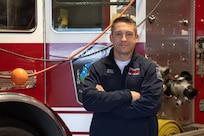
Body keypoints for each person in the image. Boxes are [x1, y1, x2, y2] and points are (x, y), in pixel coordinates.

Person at [82, 16, 163, 136]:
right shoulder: (97, 68)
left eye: (129, 34)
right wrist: (128, 95)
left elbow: (151, 104)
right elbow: (89, 101)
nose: (124, 39)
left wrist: (107, 104)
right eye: (118, 34)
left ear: (136, 37)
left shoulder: (150, 68)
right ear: (111, 38)